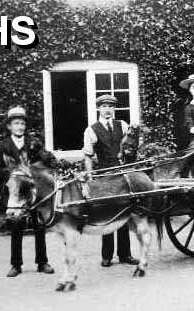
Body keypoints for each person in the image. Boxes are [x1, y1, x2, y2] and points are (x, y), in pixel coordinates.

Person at [0, 106, 56, 277]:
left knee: (39, 225)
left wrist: (44, 155)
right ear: (9, 126)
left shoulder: (33, 142)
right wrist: (16, 173)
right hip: (16, 192)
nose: (20, 127)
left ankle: (42, 262)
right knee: (16, 226)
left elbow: (46, 161)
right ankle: (16, 264)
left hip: (34, 191)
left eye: (22, 123)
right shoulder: (2, 146)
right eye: (16, 123)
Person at [82, 95, 139, 268]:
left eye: (110, 107)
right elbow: (88, 156)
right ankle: (106, 255)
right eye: (104, 106)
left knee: (124, 211)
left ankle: (125, 254)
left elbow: (131, 146)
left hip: (123, 175)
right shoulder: (91, 130)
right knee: (108, 213)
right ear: (98, 109)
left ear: (114, 109)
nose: (107, 110)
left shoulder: (122, 125)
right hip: (105, 176)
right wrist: (90, 178)